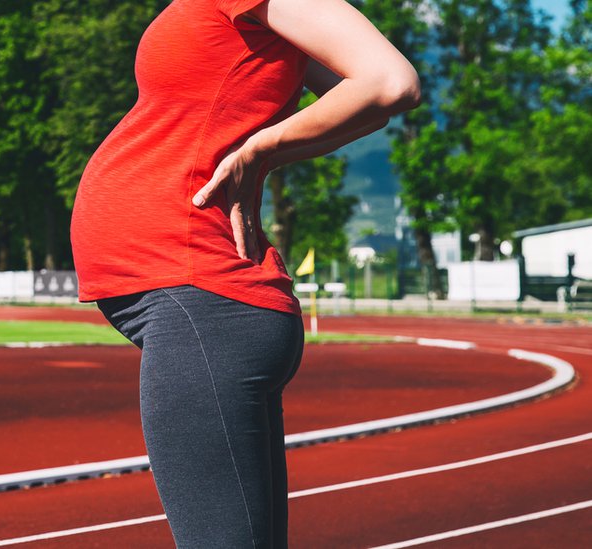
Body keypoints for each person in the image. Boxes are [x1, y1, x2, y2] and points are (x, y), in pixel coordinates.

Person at [69, 0, 420, 546]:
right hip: (198, 299)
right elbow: (358, 101)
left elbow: (388, 82)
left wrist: (261, 149)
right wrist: (266, 154)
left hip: (204, 295)